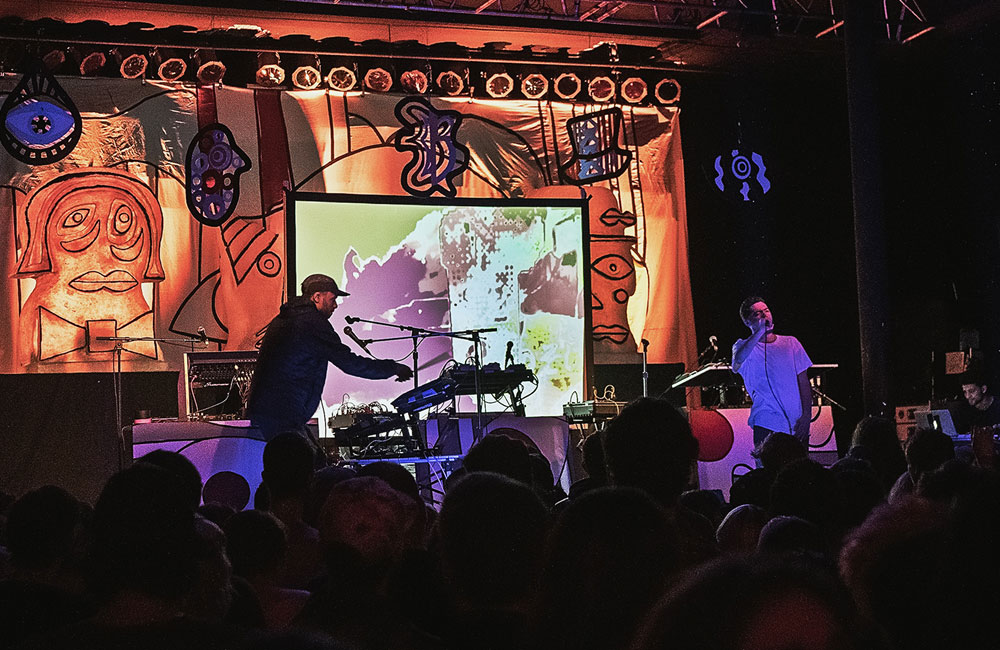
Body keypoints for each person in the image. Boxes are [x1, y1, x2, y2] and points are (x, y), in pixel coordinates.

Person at [246, 273, 412, 441]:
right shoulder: (312, 322)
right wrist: (394, 368)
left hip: (269, 411)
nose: (336, 305)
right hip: (284, 413)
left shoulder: (285, 318)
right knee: (298, 456)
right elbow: (350, 363)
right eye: (333, 299)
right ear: (317, 297)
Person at [731, 297, 813, 455]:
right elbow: (738, 361)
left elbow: (804, 382)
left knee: (799, 467)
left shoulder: (791, 343)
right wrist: (759, 332)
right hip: (766, 423)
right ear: (747, 321)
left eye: (766, 311)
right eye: (757, 313)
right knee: (769, 468)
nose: (764, 315)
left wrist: (806, 416)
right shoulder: (742, 346)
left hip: (796, 423)